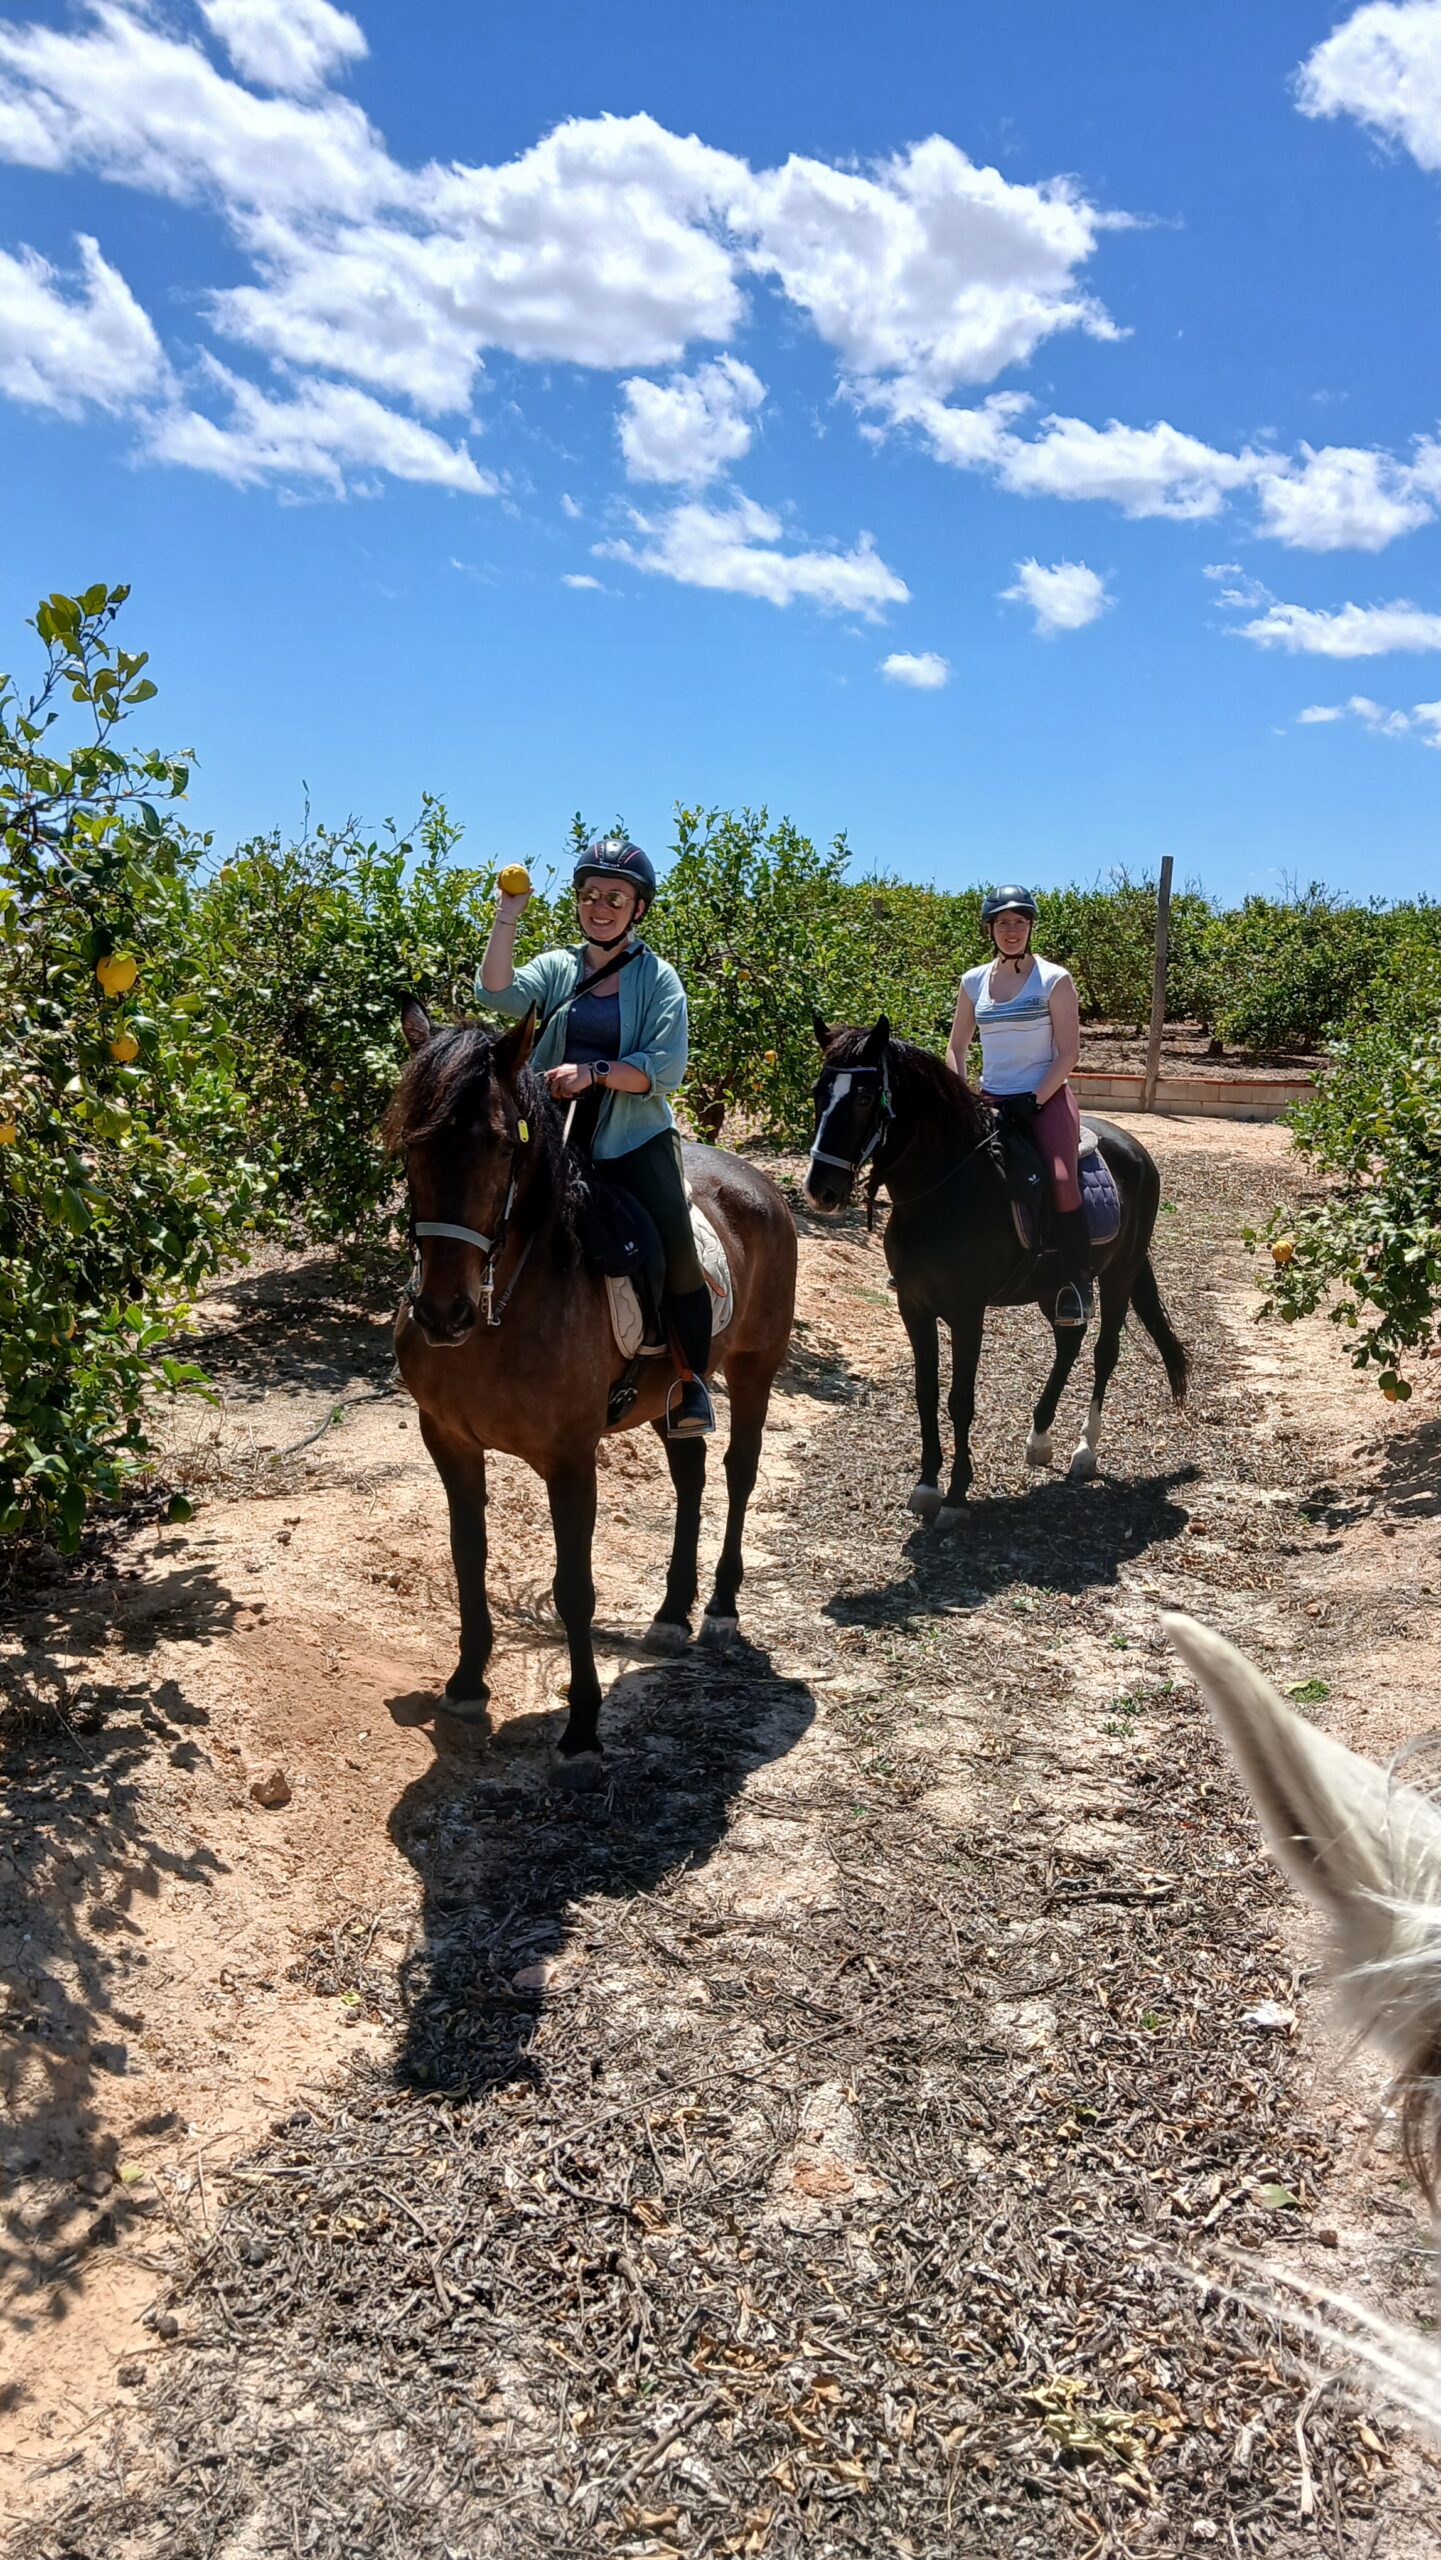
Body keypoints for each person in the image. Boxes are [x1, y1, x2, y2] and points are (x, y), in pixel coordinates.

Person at [479, 837, 716, 1434]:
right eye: (590, 895)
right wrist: (508, 914)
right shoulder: (560, 967)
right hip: (551, 1138)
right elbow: (496, 991)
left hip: (632, 1142)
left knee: (675, 1250)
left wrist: (595, 1073)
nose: (600, 907)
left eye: (616, 897)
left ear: (639, 908)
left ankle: (689, 1385)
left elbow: (666, 1068)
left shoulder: (660, 980)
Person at [945, 885, 1092, 1326]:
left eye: (1020, 922)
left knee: (1063, 1180)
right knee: (949, 1174)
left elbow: (1069, 1052)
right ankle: (930, 1264)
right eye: (1003, 923)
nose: (1012, 931)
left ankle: (1077, 1283)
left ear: (1031, 926)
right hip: (989, 1100)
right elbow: (956, 1046)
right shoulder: (973, 982)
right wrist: (962, 1097)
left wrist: (1035, 1098)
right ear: (990, 928)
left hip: (1043, 1100)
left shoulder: (1054, 980)